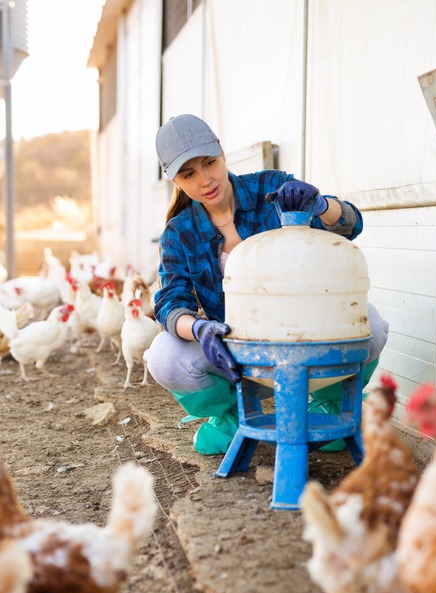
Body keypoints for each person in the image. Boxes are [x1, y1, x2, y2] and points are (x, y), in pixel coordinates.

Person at [146, 114, 389, 455]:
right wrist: (199, 328)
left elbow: (350, 226)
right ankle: (232, 415)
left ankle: (330, 404)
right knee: (164, 356)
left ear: (221, 151)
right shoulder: (179, 232)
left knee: (372, 325)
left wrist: (321, 205)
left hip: (304, 334)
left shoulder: (271, 189)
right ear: (176, 181)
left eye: (209, 163)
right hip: (232, 350)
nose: (205, 180)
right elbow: (171, 302)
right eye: (189, 174)